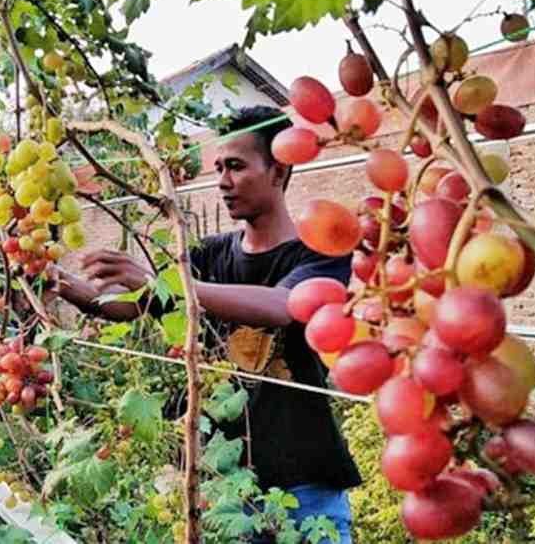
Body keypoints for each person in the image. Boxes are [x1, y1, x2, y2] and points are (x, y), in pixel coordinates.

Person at [48, 106, 361, 543]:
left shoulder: (321, 252)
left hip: (304, 484)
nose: (223, 181)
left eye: (236, 166)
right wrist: (60, 282)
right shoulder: (208, 254)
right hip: (222, 483)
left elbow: (285, 305)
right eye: (218, 168)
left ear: (279, 170)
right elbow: (133, 305)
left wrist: (173, 287)